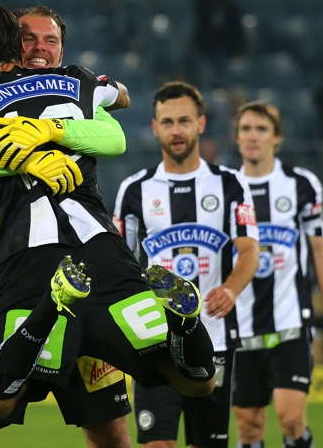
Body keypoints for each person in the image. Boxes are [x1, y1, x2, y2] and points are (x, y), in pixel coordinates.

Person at [0, 2, 215, 446]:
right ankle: (184, 328)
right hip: (15, 276)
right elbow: (119, 104)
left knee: (79, 424)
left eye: (51, 41)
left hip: (25, 270)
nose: (40, 49)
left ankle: (51, 310)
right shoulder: (77, 84)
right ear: (12, 43)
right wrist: (31, 154)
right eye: (30, 39)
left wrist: (47, 132)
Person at [113, 81, 260, 448]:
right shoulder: (135, 190)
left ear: (201, 123)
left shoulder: (231, 184)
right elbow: (118, 263)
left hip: (215, 337)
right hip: (155, 340)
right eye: (167, 122)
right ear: (154, 127)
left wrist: (230, 289)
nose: (176, 130)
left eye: (184, 121)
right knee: (155, 444)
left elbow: (250, 250)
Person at [230, 101, 323, 448]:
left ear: (276, 138)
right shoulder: (224, 188)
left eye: (261, 129)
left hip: (291, 319)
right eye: (246, 129)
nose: (253, 137)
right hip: (242, 324)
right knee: (249, 426)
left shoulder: (301, 184)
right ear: (236, 138)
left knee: (290, 417)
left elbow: (321, 252)